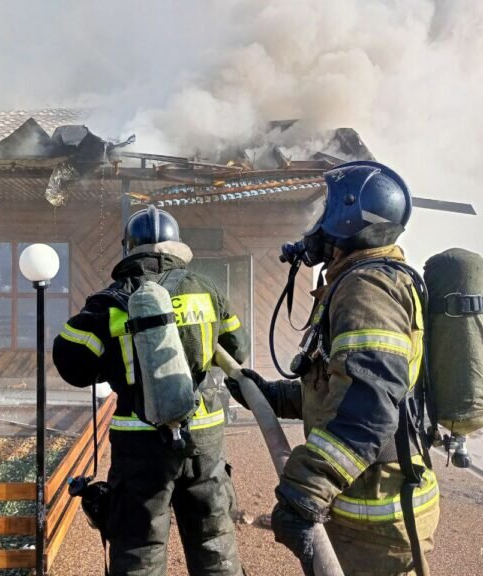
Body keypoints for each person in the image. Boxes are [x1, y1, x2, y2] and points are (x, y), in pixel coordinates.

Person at [226, 161, 439, 576]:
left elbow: (369, 407)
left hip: (376, 512)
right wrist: (269, 395)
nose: (318, 222)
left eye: (326, 207)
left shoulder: (367, 289)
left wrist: (306, 486)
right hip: (367, 502)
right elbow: (339, 388)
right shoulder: (360, 281)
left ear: (349, 212)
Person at [53, 205, 250, 576]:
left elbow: (72, 365)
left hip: (139, 443)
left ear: (129, 249)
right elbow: (237, 350)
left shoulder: (108, 302)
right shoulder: (206, 291)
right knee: (214, 541)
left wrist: (113, 359)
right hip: (204, 437)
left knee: (138, 547)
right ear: (176, 247)